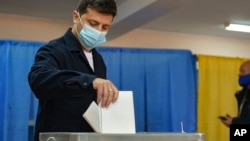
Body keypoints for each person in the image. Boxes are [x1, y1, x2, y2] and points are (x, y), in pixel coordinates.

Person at [28, 0, 119, 141]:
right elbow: (39, 81)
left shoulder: (98, 60)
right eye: (93, 24)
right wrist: (89, 82)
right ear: (76, 17)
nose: (98, 31)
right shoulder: (53, 50)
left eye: (105, 27)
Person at [219, 60, 250, 127]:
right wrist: (233, 123)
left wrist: (234, 121)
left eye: (242, 71)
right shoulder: (243, 94)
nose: (239, 74)